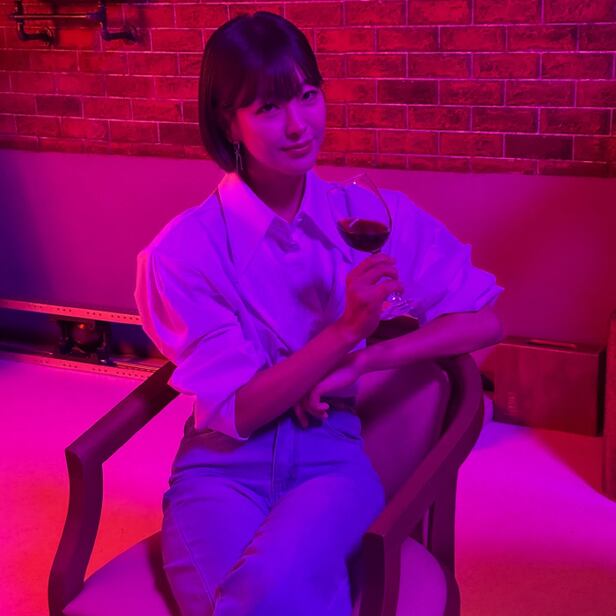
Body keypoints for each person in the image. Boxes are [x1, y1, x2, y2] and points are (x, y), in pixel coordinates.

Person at [134, 11, 504, 616]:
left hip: (330, 460)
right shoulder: (183, 252)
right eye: (269, 107)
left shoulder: (370, 216)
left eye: (308, 95)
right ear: (227, 122)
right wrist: (346, 332)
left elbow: (485, 320)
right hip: (220, 466)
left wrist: (367, 360)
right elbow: (240, 410)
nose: (299, 124)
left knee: (261, 593)